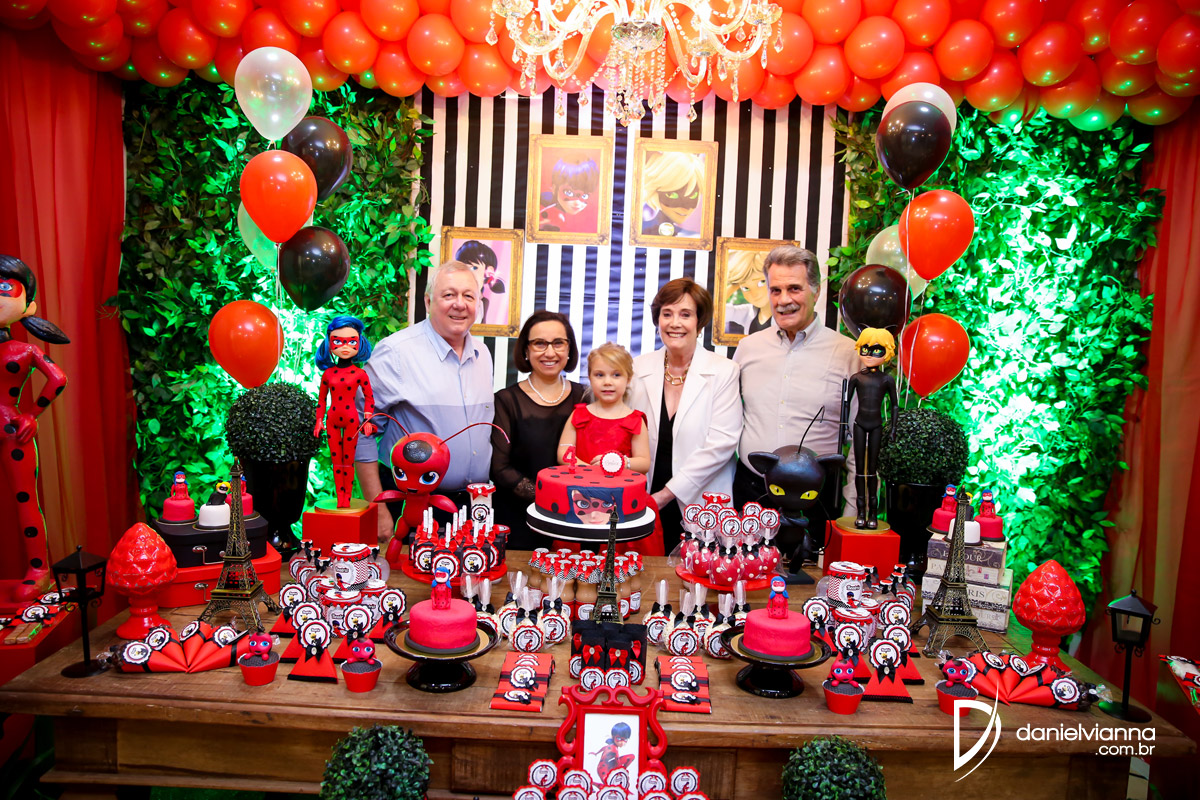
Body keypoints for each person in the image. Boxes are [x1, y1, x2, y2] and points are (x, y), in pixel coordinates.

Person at [355, 261, 495, 547]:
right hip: (412, 506)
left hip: (472, 508)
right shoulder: (396, 352)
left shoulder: (483, 353)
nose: (460, 304)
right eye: (449, 295)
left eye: (468, 296)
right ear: (428, 302)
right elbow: (361, 432)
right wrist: (377, 508)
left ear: (478, 304)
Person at [732, 245, 859, 557]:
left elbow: (860, 443)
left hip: (815, 501)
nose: (783, 300)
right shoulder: (748, 349)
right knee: (744, 579)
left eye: (794, 288)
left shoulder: (848, 353)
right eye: (775, 290)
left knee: (810, 583)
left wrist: (852, 513)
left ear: (816, 291)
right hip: (753, 495)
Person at [630, 278, 741, 553]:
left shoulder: (724, 371)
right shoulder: (637, 368)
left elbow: (722, 444)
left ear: (699, 322)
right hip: (643, 502)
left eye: (685, 314)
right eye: (667, 314)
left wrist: (664, 496)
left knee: (698, 576)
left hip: (699, 503)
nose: (675, 323)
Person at [490, 311, 586, 550]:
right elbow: (500, 468)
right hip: (519, 521)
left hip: (579, 520)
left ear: (569, 349)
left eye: (558, 343)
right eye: (540, 343)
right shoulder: (506, 400)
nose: (550, 352)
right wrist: (547, 498)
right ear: (526, 349)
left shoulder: (585, 397)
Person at [313, 315, 376, 508]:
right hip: (332, 419)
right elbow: (321, 400)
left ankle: (345, 498)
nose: (345, 347)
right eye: (338, 342)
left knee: (348, 460)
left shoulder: (360, 373)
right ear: (329, 344)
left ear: (359, 343)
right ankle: (340, 495)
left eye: (351, 342)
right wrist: (319, 421)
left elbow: (369, 398)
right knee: (336, 460)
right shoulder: (328, 373)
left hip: (351, 420)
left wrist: (367, 420)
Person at [558, 343, 650, 474]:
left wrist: (617, 463)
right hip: (581, 484)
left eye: (616, 375)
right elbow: (563, 453)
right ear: (590, 378)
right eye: (599, 375)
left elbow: (644, 462)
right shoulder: (578, 415)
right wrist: (590, 470)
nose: (607, 382)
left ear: (628, 379)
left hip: (619, 486)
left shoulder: (635, 421)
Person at [840, 327, 898, 529]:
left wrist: (893, 428)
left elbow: (894, 405)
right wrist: (844, 426)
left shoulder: (886, 379)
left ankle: (872, 513)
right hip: (859, 424)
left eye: (877, 350)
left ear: (887, 352)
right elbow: (846, 403)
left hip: (876, 425)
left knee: (872, 472)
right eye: (865, 349)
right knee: (859, 472)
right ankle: (861, 513)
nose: (870, 354)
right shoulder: (856, 378)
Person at [640, 150, 704, 238]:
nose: (685, 208)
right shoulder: (638, 231)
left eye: (693, 195)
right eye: (672, 195)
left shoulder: (694, 237)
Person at [539, 156, 599, 233]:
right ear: (554, 189)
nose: (577, 203)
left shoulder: (594, 216)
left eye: (584, 196)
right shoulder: (543, 209)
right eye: (569, 193)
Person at [454, 240, 507, 325]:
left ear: (489, 270)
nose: (468, 273)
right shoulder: (454, 300)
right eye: (463, 268)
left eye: (474, 268)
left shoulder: (484, 303)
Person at [722, 250, 772, 335]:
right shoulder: (748, 312)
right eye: (746, 288)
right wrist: (734, 285)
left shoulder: (787, 313)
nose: (754, 294)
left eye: (762, 282)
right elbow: (715, 311)